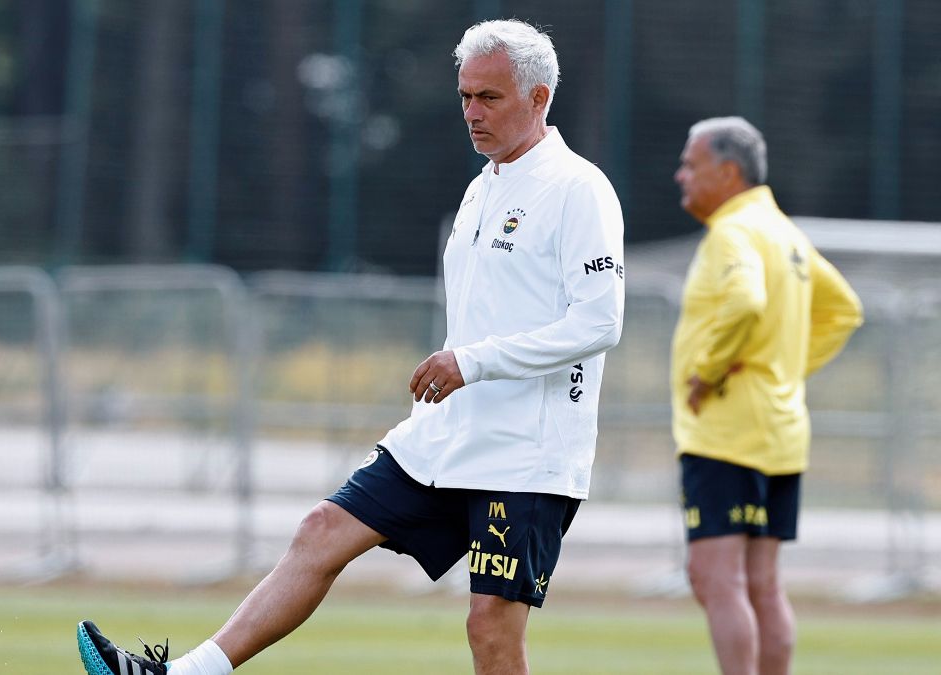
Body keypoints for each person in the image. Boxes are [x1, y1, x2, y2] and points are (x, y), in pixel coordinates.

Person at [77, 18, 624, 675]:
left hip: (525, 454)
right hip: (446, 436)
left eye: (489, 97)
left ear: (539, 98)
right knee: (321, 530)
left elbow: (600, 323)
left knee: (490, 628)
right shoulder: (483, 187)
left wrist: (471, 362)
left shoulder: (577, 188)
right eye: (464, 96)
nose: (471, 113)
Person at [671, 117, 863, 675]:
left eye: (691, 164)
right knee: (762, 585)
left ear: (728, 172)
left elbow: (745, 301)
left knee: (717, 578)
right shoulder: (784, 232)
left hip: (728, 432)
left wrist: (709, 371)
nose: (681, 174)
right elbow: (844, 310)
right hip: (781, 431)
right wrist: (785, 369)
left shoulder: (732, 231)